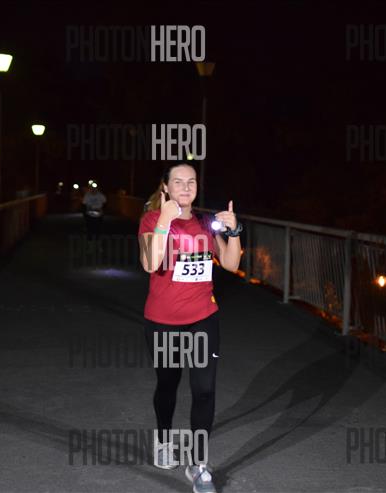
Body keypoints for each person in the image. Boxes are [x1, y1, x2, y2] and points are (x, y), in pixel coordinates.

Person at [138, 162, 242, 493]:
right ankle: (163, 439)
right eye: (178, 182)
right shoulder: (151, 220)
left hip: (203, 318)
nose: (185, 187)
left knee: (205, 390)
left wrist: (234, 232)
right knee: (168, 385)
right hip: (163, 322)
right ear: (165, 187)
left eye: (191, 182)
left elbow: (231, 263)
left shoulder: (204, 224)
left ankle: (198, 465)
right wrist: (165, 220)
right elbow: (150, 263)